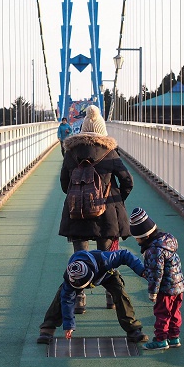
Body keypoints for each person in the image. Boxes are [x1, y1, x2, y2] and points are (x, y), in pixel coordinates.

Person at [59, 104, 133, 313]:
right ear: (102, 131)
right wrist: (115, 200)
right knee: (107, 258)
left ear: (82, 129)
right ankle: (111, 297)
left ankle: (79, 299)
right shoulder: (110, 152)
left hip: (77, 213)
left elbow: (64, 183)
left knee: (79, 259)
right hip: (106, 215)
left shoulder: (70, 152)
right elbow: (128, 181)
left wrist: (79, 198)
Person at [36, 248, 149, 344]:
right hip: (80, 279)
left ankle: (133, 330)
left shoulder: (105, 260)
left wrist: (142, 271)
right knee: (62, 296)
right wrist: (69, 326)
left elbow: (125, 255)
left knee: (120, 294)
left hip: (106, 275)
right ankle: (47, 328)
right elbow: (67, 301)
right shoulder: (70, 277)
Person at [130, 207, 184, 351]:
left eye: (137, 238)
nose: (136, 240)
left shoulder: (154, 250)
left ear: (145, 236)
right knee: (174, 312)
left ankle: (161, 339)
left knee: (162, 313)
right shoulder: (166, 241)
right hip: (178, 286)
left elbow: (156, 273)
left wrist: (153, 292)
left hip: (165, 288)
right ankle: (174, 337)